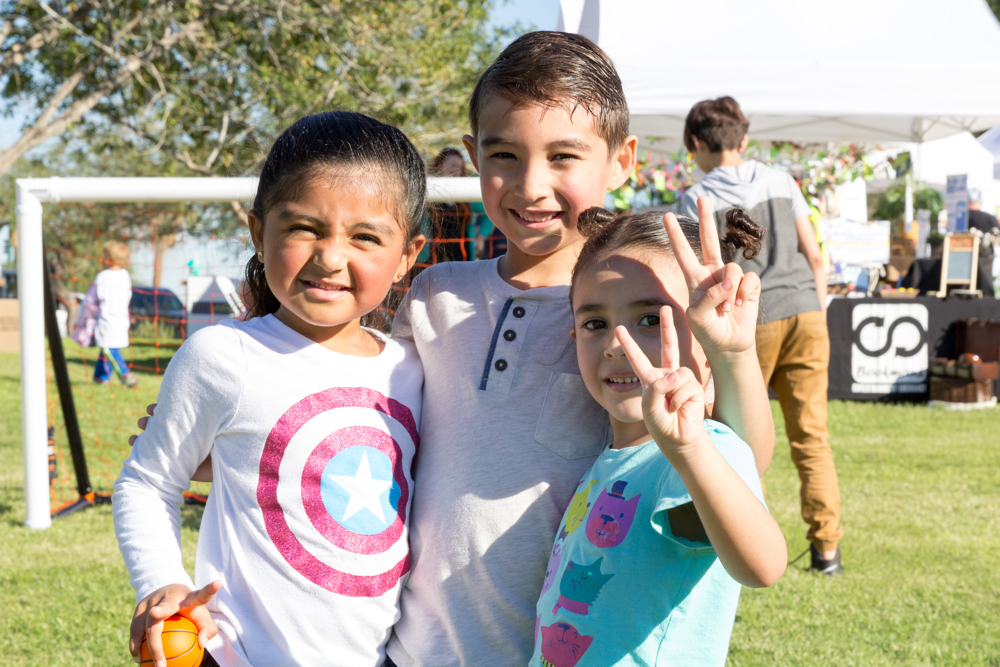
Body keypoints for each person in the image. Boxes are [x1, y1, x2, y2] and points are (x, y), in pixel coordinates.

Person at [385, 33, 774, 666]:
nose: (531, 184)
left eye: (564, 156)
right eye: (504, 154)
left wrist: (731, 356)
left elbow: (738, 460)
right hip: (418, 649)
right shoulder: (434, 294)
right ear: (472, 155)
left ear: (622, 161)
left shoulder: (647, 313)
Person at [113, 111, 426, 667]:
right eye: (304, 228)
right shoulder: (222, 356)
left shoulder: (416, 368)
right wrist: (160, 581)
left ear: (407, 256)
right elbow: (146, 481)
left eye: (365, 237)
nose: (330, 257)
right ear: (259, 232)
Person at [530, 206, 786, 666]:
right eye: (595, 324)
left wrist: (689, 448)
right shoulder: (609, 458)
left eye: (650, 319)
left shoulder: (695, 450)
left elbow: (763, 566)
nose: (614, 343)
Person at [681, 96, 844, 575]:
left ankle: (754, 544)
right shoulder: (781, 179)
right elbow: (817, 257)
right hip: (808, 313)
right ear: (744, 138)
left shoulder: (696, 197)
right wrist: (815, 308)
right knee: (812, 437)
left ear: (695, 143)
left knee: (742, 439)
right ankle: (827, 551)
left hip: (752, 319)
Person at [82, 241, 138, 387]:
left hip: (107, 320)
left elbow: (91, 299)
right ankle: (100, 378)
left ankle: (126, 374)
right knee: (107, 348)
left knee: (109, 349)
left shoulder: (103, 277)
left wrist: (86, 315)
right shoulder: (125, 275)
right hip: (122, 319)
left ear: (106, 259)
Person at [427, 148, 475, 263]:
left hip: (462, 257)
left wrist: (482, 235)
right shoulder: (426, 193)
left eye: (460, 167)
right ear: (439, 165)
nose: (456, 171)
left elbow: (487, 216)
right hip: (432, 258)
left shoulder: (468, 195)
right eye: (452, 165)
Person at [968, 188, 999, 268]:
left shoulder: (962, 219)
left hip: (966, 256)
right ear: (980, 202)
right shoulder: (990, 218)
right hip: (984, 258)